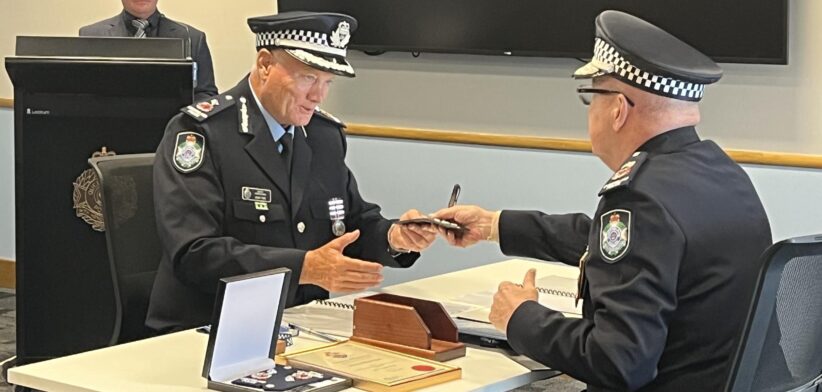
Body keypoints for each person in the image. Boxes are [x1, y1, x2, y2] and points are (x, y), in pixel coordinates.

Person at [433, 10, 772, 392]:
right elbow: (621, 245)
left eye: (590, 97)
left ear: (617, 110)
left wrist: (521, 318)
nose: (589, 111)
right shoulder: (721, 174)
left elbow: (617, 362)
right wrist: (494, 225)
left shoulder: (638, 197)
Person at [147, 11, 436, 332]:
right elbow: (195, 253)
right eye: (308, 78)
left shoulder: (324, 136)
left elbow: (350, 224)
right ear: (265, 65)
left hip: (303, 324)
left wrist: (395, 237)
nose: (318, 96)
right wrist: (304, 268)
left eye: (327, 82)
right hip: (208, 327)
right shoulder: (202, 132)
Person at [79, 0, 218, 100]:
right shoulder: (91, 36)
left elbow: (206, 96)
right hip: (108, 131)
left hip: (172, 132)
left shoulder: (191, 37)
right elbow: (82, 94)